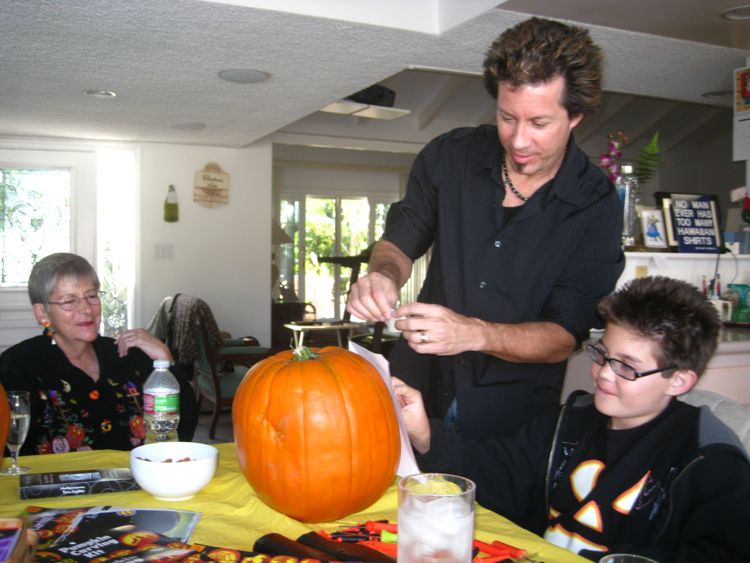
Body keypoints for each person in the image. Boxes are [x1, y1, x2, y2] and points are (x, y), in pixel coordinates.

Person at [346, 16, 624, 441]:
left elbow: (565, 335)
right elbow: (401, 239)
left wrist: (471, 334)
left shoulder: (595, 205)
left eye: (539, 123)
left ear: (575, 116)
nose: (518, 140)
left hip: (510, 419)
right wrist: (382, 275)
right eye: (507, 117)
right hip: (413, 388)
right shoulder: (451, 155)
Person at [394, 276, 750, 561]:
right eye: (603, 355)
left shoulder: (710, 460)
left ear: (680, 380)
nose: (603, 376)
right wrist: (424, 432)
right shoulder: (569, 421)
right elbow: (496, 473)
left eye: (627, 366)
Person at [0, 253, 197, 455]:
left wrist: (164, 360)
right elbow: (11, 453)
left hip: (139, 481)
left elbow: (184, 427)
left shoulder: (127, 355)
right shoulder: (17, 367)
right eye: (69, 301)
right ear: (42, 313)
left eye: (92, 296)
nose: (86, 309)